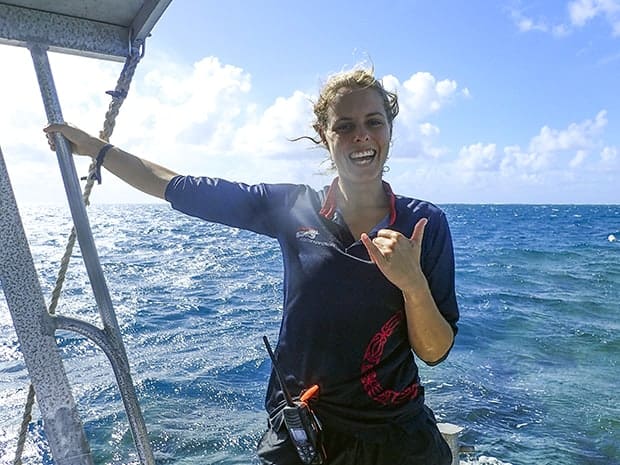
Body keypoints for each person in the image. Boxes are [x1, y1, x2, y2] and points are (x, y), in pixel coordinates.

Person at [45, 67, 459, 465]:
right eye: (344, 126)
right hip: (307, 430)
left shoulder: (423, 225)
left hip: (393, 435)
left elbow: (435, 350)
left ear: (389, 129)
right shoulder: (293, 208)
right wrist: (98, 150)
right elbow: (178, 187)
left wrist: (413, 285)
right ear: (324, 135)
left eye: (373, 121)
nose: (361, 136)